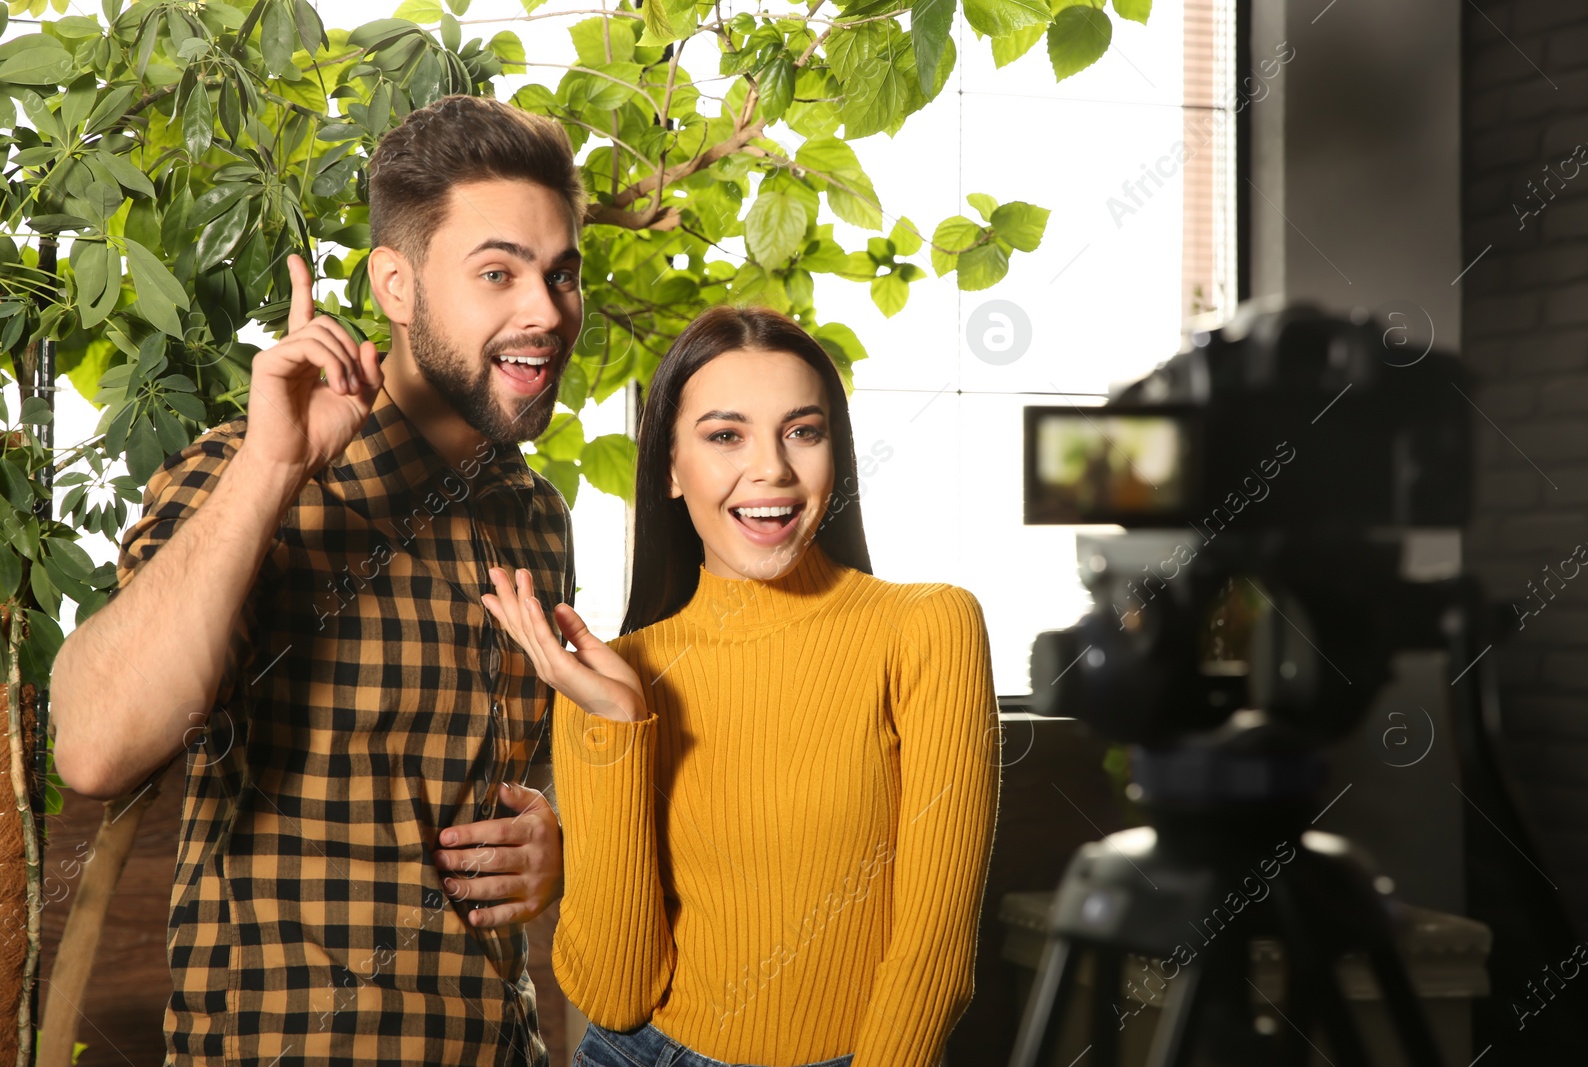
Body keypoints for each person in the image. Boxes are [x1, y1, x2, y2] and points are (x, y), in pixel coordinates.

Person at [49, 95, 584, 1066]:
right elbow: (92, 745)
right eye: (497, 272)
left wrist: (555, 840)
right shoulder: (251, 465)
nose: (544, 311)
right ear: (397, 283)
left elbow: (514, 783)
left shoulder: (536, 517)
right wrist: (270, 469)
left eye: (560, 274)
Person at [481, 306, 1002, 1067]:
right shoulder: (612, 673)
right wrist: (618, 724)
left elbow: (936, 957)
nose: (773, 470)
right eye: (726, 435)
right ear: (667, 466)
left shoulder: (928, 628)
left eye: (803, 431)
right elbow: (618, 992)